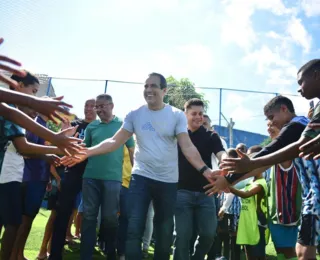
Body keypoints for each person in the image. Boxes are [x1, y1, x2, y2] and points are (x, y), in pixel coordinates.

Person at [61, 73, 219, 260]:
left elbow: (187, 146)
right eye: (146, 86)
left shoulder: (176, 115)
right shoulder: (135, 115)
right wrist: (86, 152)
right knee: (134, 225)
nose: (149, 89)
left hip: (168, 181)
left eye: (153, 86)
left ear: (164, 90)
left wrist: (206, 170)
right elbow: (114, 141)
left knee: (164, 231)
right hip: (141, 177)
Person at [214, 94, 319, 257]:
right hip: (311, 197)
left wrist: (229, 179)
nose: (271, 122)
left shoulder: (296, 126)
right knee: (303, 250)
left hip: (314, 197)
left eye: (272, 117)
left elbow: (267, 152)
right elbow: (263, 164)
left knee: (303, 250)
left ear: (284, 109)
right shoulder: (304, 126)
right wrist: (229, 182)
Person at [0, 72, 71, 260]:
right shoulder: (9, 112)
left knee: (13, 225)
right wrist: (60, 146)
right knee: (13, 226)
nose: (35, 97)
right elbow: (23, 147)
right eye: (33, 91)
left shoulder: (13, 112)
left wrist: (55, 146)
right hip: (6, 179)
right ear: (18, 86)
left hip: (11, 178)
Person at [79, 94, 134, 260]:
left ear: (112, 105)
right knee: (89, 216)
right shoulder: (92, 127)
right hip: (90, 178)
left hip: (113, 179)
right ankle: (85, 255)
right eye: (97, 106)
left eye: (102, 106)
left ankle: (111, 253)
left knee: (110, 218)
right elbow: (84, 150)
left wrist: (136, 175)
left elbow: (131, 152)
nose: (99, 109)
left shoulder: (123, 126)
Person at [173, 99, 227, 260]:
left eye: (201, 114)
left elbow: (221, 153)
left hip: (206, 192)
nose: (198, 117)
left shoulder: (211, 136)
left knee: (208, 234)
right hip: (181, 192)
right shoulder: (178, 136)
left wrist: (225, 161)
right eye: (194, 114)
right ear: (185, 115)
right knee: (182, 235)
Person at [49, 98, 97, 260]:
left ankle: (87, 251)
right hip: (72, 172)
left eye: (92, 106)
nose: (89, 109)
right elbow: (59, 146)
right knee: (62, 212)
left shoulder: (100, 127)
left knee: (89, 214)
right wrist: (62, 134)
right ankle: (54, 253)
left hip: (92, 174)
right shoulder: (74, 124)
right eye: (86, 105)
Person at [267, 121, 301, 260]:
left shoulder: (295, 154)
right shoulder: (270, 157)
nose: (269, 128)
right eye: (268, 125)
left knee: (292, 251)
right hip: (276, 213)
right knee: (279, 249)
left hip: (296, 212)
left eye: (273, 123)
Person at [229, 147, 268, 260]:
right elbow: (235, 183)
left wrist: (229, 187)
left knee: (258, 254)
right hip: (246, 222)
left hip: (257, 223)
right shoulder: (250, 181)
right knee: (249, 253)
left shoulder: (261, 183)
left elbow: (246, 194)